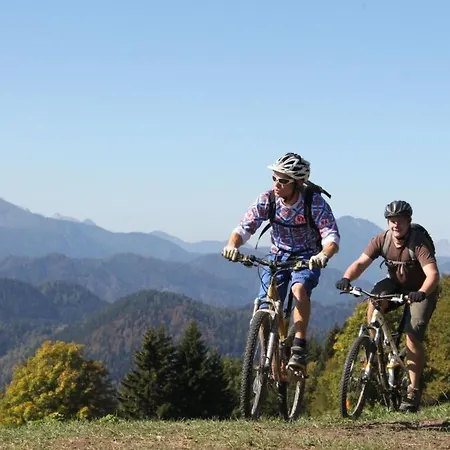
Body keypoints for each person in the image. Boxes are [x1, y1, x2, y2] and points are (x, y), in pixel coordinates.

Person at [222, 152, 340, 370]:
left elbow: (330, 235)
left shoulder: (314, 203)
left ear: (298, 183)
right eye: (274, 178)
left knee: (298, 290)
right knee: (263, 304)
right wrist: (232, 246)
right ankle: (268, 358)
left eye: (283, 180)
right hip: (277, 256)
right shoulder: (267, 199)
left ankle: (299, 347)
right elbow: (245, 227)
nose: (277, 184)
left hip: (306, 257)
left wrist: (324, 255)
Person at [335, 200, 440, 413]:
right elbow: (361, 263)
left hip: (421, 290)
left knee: (413, 334)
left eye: (400, 220)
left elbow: (433, 274)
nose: (395, 225)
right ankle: (372, 349)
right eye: (392, 221)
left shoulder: (418, 243)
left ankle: (413, 390)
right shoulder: (382, 240)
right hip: (395, 284)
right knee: (374, 301)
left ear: (408, 221)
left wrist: (421, 293)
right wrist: (347, 278)